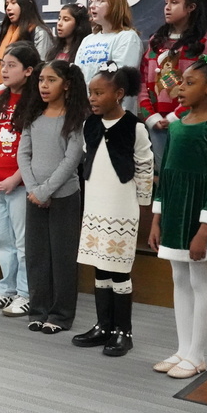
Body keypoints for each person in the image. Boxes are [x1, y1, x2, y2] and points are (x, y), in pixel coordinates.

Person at [149, 55, 207, 379]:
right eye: (181, 82)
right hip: (174, 212)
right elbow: (165, 175)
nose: (180, 88)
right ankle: (183, 349)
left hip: (199, 218)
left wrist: (204, 230)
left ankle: (197, 355)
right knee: (179, 280)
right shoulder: (177, 126)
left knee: (199, 280)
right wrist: (157, 219)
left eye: (189, 83)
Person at [72, 62, 153, 357]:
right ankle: (103, 326)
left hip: (121, 207)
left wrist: (143, 204)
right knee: (100, 265)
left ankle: (123, 331)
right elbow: (88, 158)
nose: (92, 98)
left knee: (119, 270)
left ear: (118, 94)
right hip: (95, 205)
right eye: (90, 92)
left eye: (99, 93)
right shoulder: (89, 124)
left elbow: (145, 166)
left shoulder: (136, 127)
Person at [18, 60, 89, 333]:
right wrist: (33, 189)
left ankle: (60, 315)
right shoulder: (34, 115)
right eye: (41, 80)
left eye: (51, 80)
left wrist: (45, 191)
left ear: (67, 85)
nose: (44, 86)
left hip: (64, 197)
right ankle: (38, 310)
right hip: (34, 196)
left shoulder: (75, 118)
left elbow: (72, 160)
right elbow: (23, 153)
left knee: (63, 258)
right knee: (36, 256)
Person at [0, 41, 41, 316]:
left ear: (28, 70)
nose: (4, 69)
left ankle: (25, 293)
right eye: (2, 64)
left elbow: (36, 148)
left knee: (23, 242)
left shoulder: (36, 102)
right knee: (2, 239)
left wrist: (16, 178)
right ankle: (6, 289)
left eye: (11, 65)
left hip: (20, 183)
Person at [140, 0, 207, 167]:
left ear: (191, 7)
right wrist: (151, 116)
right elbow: (142, 82)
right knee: (164, 172)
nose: (167, 7)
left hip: (190, 121)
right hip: (157, 123)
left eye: (174, 2)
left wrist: (176, 116)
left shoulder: (204, 41)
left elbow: (205, 85)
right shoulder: (156, 41)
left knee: (187, 172)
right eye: (166, 2)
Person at [74, 0, 142, 103]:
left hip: (113, 108)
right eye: (92, 1)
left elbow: (120, 78)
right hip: (85, 106)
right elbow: (77, 75)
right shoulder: (88, 40)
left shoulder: (127, 37)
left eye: (100, 1)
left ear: (115, 6)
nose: (92, 6)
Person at [0, 0, 52, 86]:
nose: (8, 8)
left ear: (25, 6)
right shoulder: (5, 32)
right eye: (7, 4)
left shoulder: (38, 32)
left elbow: (42, 67)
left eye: (13, 3)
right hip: (3, 87)